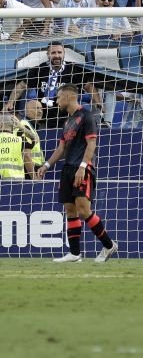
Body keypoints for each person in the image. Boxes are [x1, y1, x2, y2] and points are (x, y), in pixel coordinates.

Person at [37, 84, 117, 263]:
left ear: (68, 97)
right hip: (67, 168)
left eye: (58, 97)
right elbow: (61, 148)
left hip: (82, 168)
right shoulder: (67, 122)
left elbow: (91, 145)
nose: (56, 101)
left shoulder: (87, 117)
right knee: (70, 209)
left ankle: (109, 244)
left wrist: (83, 166)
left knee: (83, 210)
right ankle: (74, 254)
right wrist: (47, 165)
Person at [4, 42, 100, 129]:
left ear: (64, 54)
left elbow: (88, 86)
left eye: (59, 52)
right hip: (44, 118)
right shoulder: (40, 70)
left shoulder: (73, 70)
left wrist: (98, 102)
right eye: (53, 53)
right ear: (48, 55)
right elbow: (21, 86)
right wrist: (10, 102)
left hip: (68, 118)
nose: (57, 55)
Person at [0, 112, 36, 180]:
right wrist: (22, 127)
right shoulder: (20, 140)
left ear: (1, 125)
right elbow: (35, 139)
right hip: (17, 181)